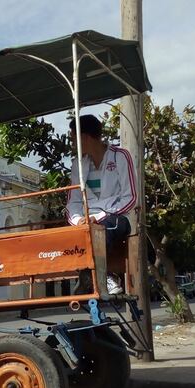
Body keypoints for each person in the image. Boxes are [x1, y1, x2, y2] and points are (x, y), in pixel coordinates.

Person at [66, 115, 136, 295]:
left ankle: (103, 276)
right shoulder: (77, 165)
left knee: (104, 228)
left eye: (74, 139)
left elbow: (131, 198)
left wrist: (99, 217)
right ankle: (87, 275)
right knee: (65, 235)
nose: (72, 144)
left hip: (116, 216)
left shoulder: (120, 157)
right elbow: (73, 201)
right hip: (85, 221)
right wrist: (78, 220)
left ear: (85, 138)